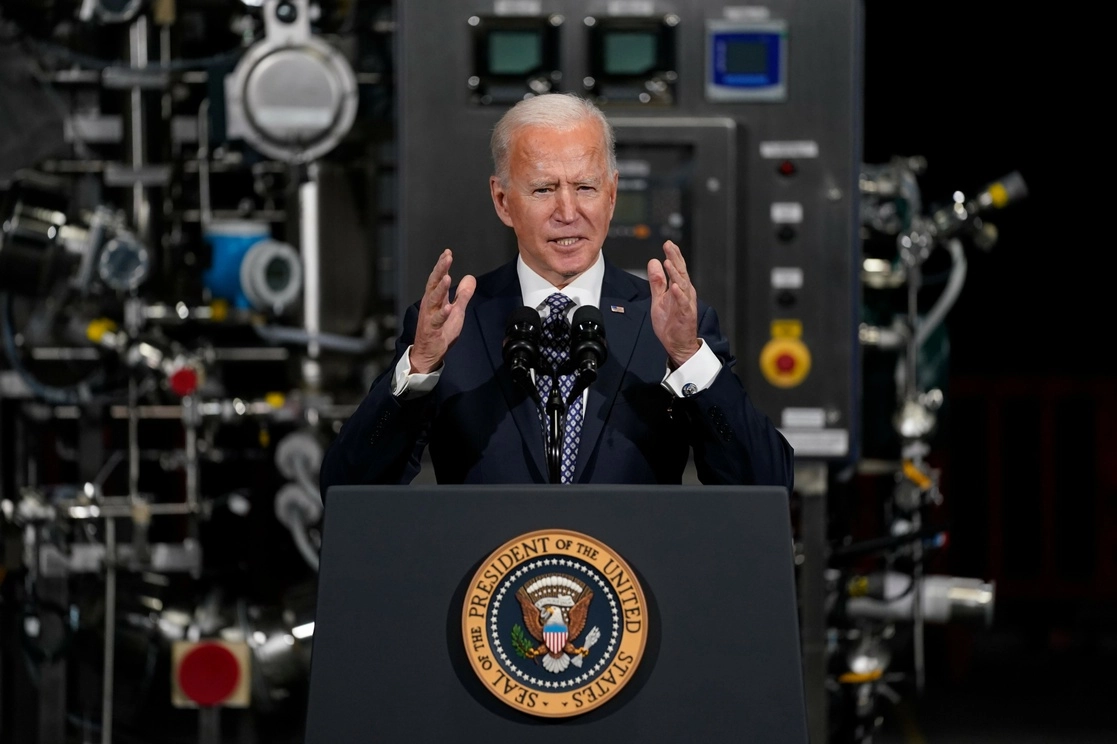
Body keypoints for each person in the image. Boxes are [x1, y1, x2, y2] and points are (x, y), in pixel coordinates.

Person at [319, 93, 793, 491]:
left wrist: (690, 358)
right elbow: (346, 488)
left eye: (585, 187)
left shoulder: (670, 324)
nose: (568, 212)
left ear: (611, 195)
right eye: (544, 190)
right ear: (503, 201)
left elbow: (767, 484)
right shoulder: (452, 327)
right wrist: (418, 369)